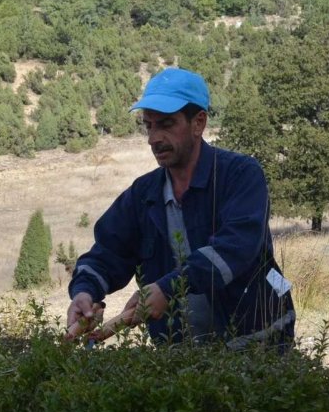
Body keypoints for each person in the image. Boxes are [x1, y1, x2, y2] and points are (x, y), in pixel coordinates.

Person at [66, 67, 295, 348]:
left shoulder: (240, 175)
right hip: (182, 358)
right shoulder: (143, 194)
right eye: (148, 125)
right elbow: (108, 252)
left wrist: (169, 288)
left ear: (198, 123)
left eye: (165, 124)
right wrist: (85, 292)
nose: (153, 138)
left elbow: (234, 249)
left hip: (258, 341)